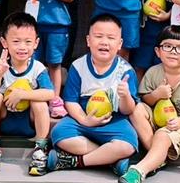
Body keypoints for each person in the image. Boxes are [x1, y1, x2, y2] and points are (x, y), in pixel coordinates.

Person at [47, 14, 139, 174]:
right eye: (98, 36)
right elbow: (71, 101)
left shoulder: (126, 70)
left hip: (112, 121)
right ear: (88, 41)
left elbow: (128, 110)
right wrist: (85, 120)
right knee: (59, 133)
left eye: (111, 38)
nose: (104, 42)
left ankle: (75, 161)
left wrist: (125, 96)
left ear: (119, 44)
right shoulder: (78, 66)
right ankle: (109, 159)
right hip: (83, 119)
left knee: (128, 145)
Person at [121, 25, 180, 183]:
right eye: (167, 46)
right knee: (136, 109)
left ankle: (139, 170)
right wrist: (156, 95)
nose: (173, 52)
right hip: (156, 118)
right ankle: (157, 158)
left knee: (162, 134)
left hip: (179, 127)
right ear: (158, 51)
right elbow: (145, 99)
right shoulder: (153, 72)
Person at [0, 12, 54, 176]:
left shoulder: (38, 68)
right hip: (5, 119)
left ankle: (40, 148)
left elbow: (50, 93)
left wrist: (22, 94)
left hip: (29, 122)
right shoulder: (1, 66)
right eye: (16, 41)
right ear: (4, 42)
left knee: (39, 101)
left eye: (28, 42)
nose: (22, 47)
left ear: (36, 43)